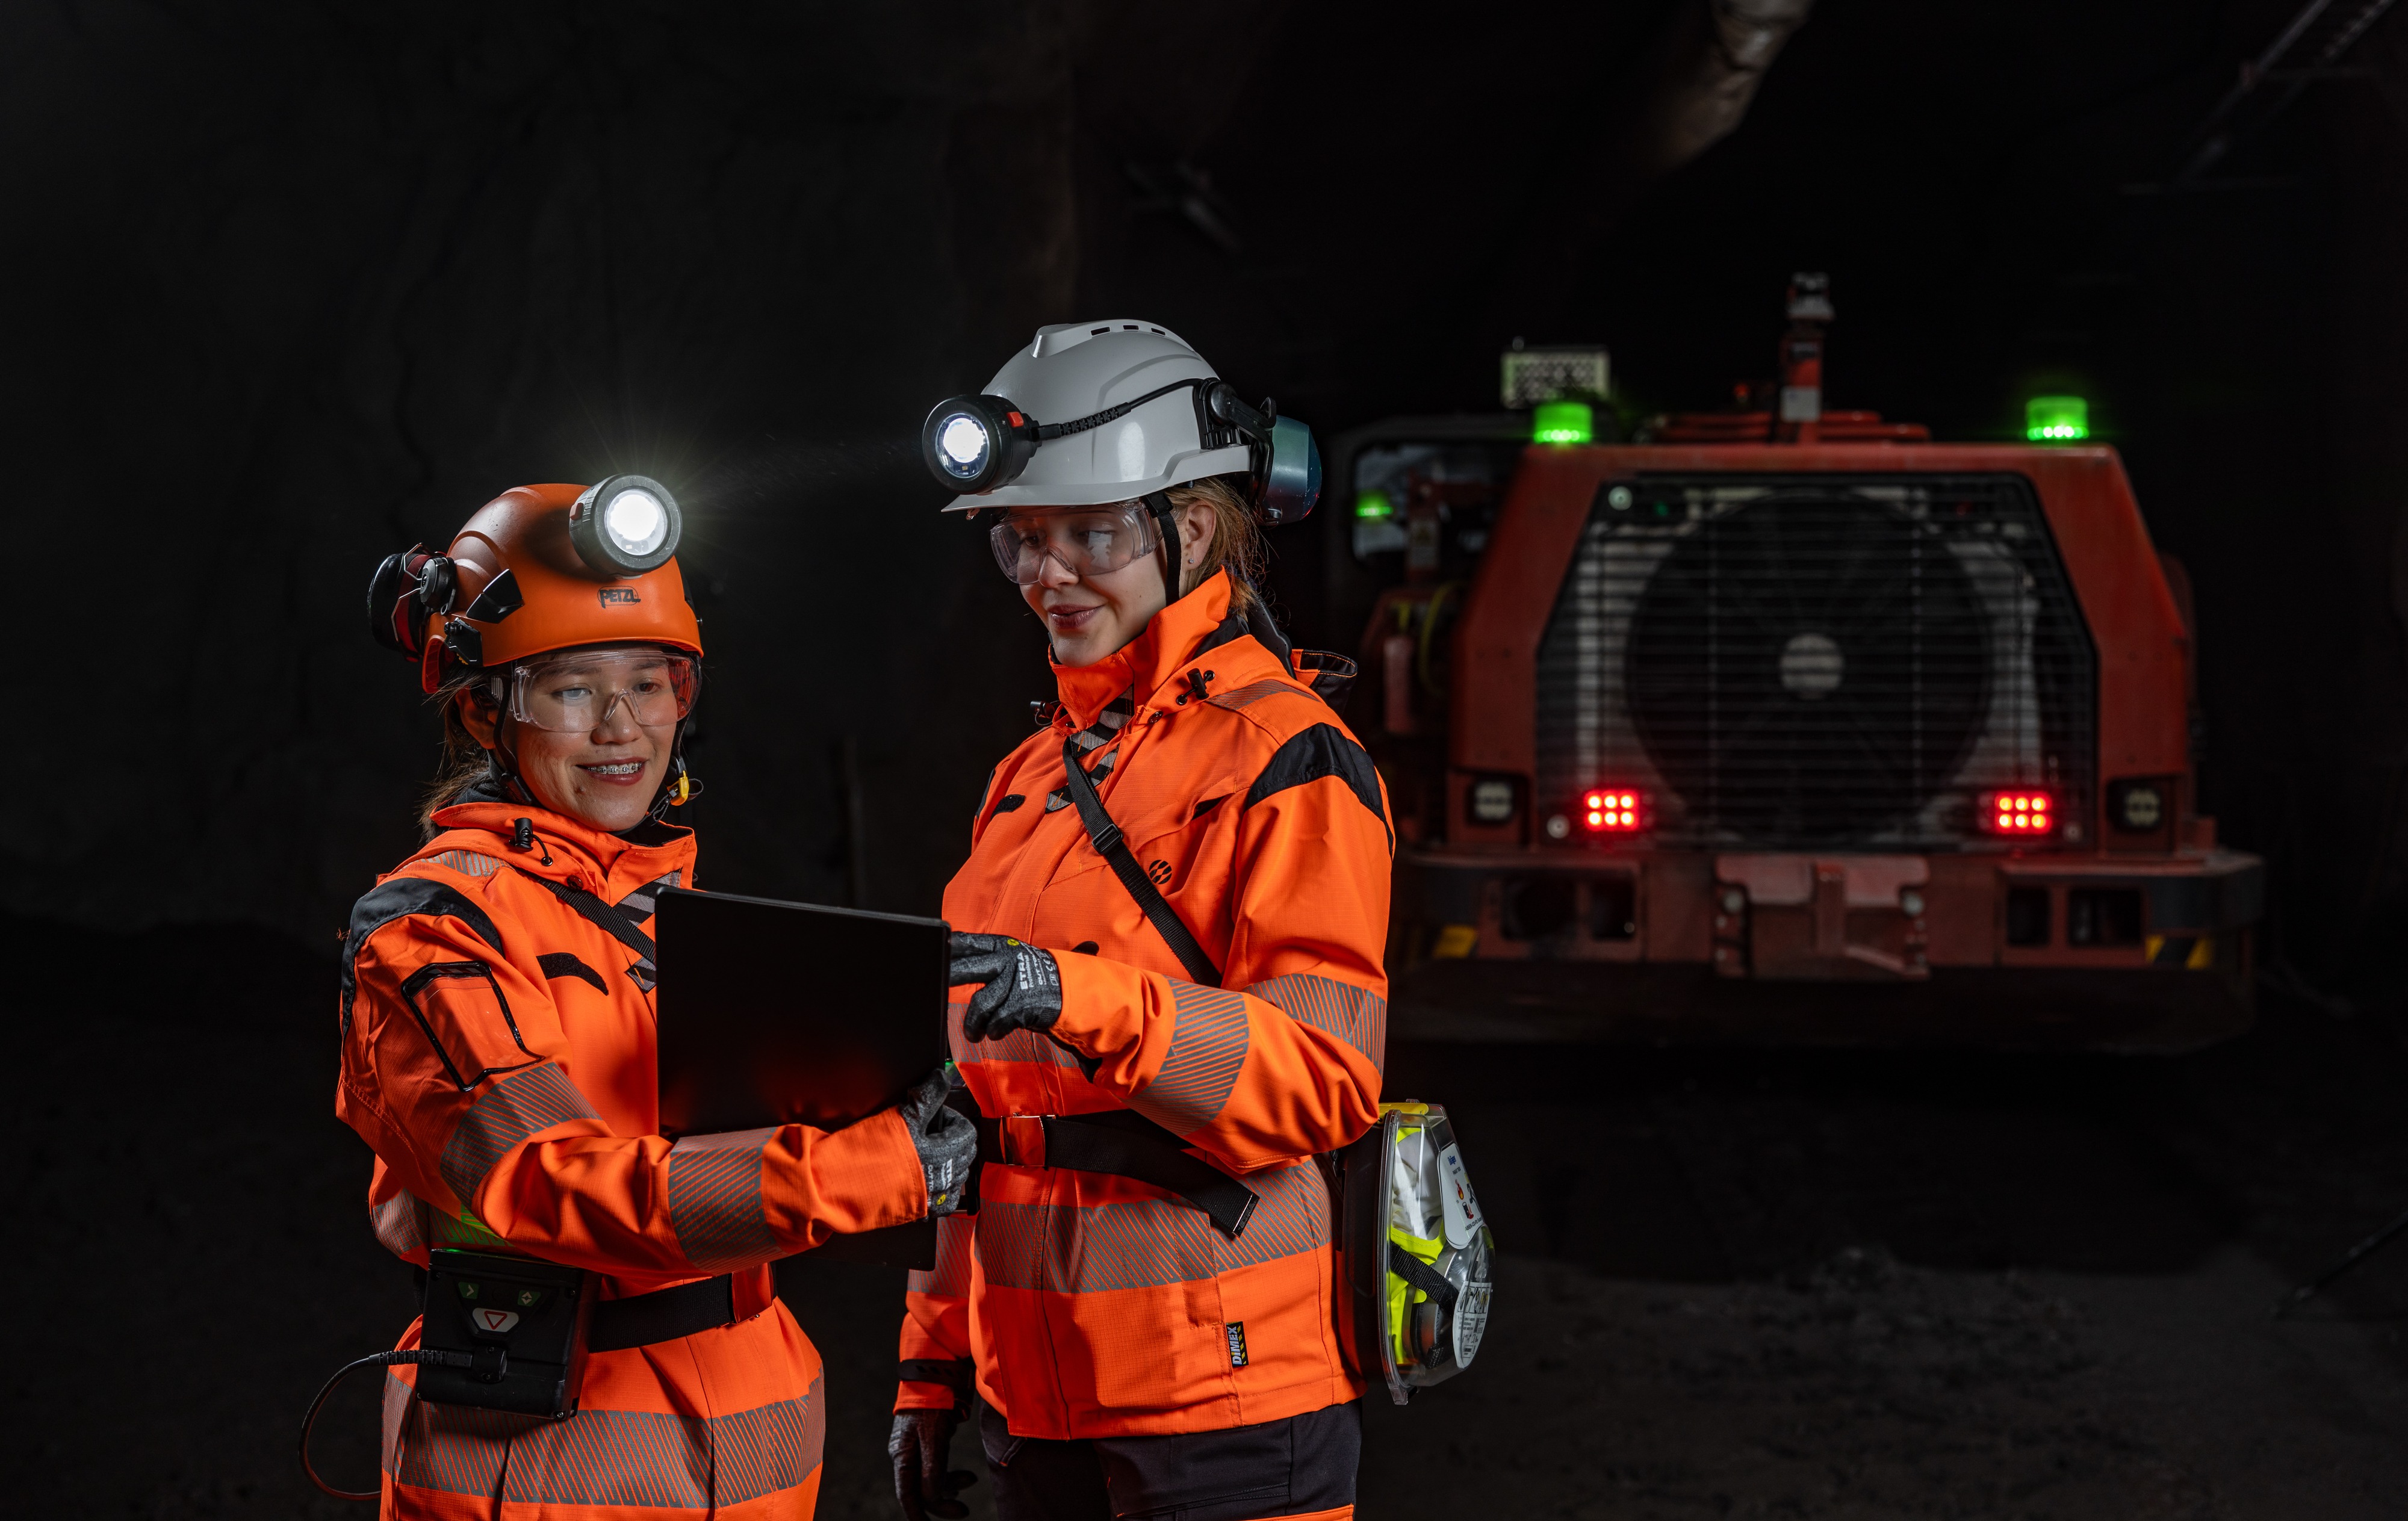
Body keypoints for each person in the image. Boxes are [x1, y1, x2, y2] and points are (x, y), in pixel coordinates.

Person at [340, 478, 975, 1519]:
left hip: (755, 1445)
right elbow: (551, 1183)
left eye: (651, 681)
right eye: (572, 688)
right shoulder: (431, 932)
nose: (621, 726)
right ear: (481, 707)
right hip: (548, 1465)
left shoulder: (669, 911)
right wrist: (881, 1164)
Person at [890, 324, 1391, 1521]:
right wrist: (928, 1366)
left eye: (1091, 533)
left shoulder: (1286, 757)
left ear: (1198, 527)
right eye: (1023, 537)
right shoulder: (1028, 780)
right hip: (1030, 1403)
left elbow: (1322, 1080)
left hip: (1223, 1405)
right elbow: (973, 1111)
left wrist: (1078, 995)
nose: (1046, 573)